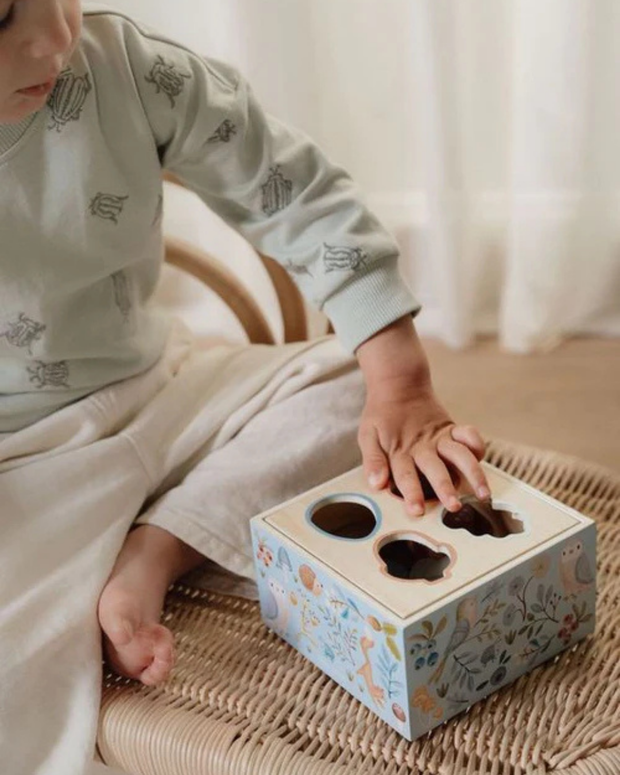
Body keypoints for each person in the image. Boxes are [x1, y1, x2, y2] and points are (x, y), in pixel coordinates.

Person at [0, 0, 490, 697]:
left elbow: (295, 193)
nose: (55, 37)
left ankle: (156, 549)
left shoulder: (126, 68)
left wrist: (401, 381)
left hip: (160, 383)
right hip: (24, 454)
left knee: (348, 384)